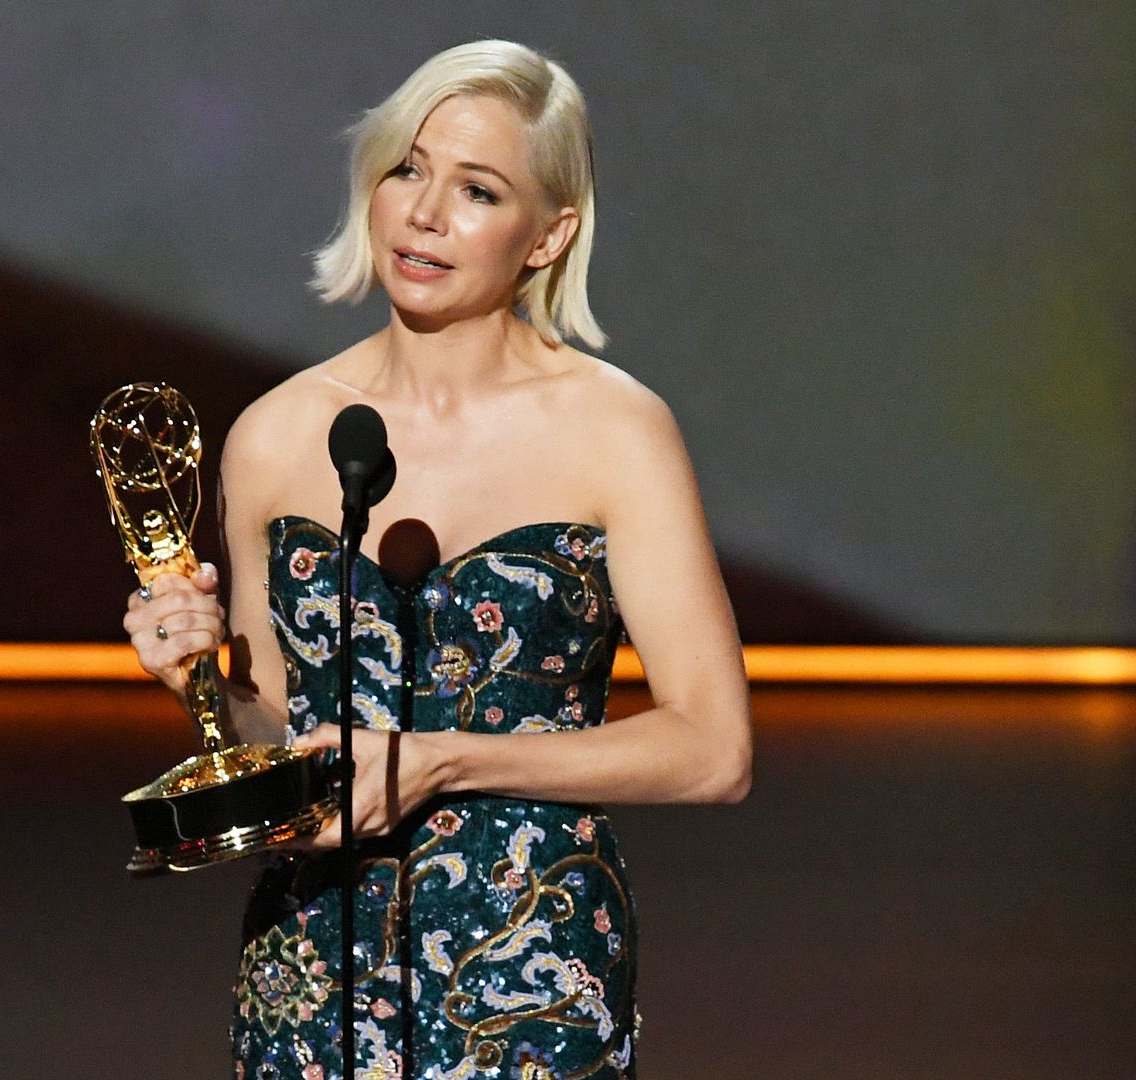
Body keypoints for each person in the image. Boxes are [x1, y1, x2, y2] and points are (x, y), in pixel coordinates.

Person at [124, 39, 751, 1080]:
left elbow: (714, 749)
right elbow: (280, 740)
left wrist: (446, 761)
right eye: (407, 169)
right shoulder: (277, 437)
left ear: (547, 235)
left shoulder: (616, 433)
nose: (424, 212)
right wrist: (199, 687)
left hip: (531, 967)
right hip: (315, 969)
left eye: (478, 189)